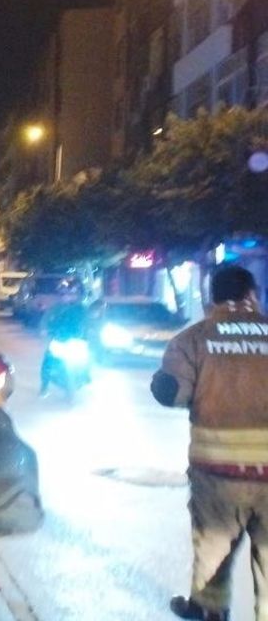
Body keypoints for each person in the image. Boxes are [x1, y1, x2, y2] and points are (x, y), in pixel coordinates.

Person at [155, 265, 268, 621]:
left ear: (212, 298)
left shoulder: (193, 339)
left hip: (218, 476)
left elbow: (172, 393)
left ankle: (209, 611)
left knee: (213, 550)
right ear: (252, 295)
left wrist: (163, 383)